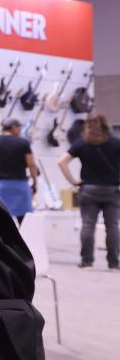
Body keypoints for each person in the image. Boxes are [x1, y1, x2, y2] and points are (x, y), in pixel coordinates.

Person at [58, 113, 120, 269]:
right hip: (112, 190)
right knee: (112, 226)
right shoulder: (115, 143)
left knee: (87, 225)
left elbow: (62, 162)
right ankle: (113, 263)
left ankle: (87, 261)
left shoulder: (81, 144)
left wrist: (73, 181)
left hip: (88, 190)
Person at [0, 118, 39, 224]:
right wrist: (35, 183)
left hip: (1, 186)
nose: (20, 130)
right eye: (19, 128)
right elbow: (31, 164)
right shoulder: (23, 143)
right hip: (21, 186)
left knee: (1, 218)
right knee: (24, 221)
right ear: (13, 127)